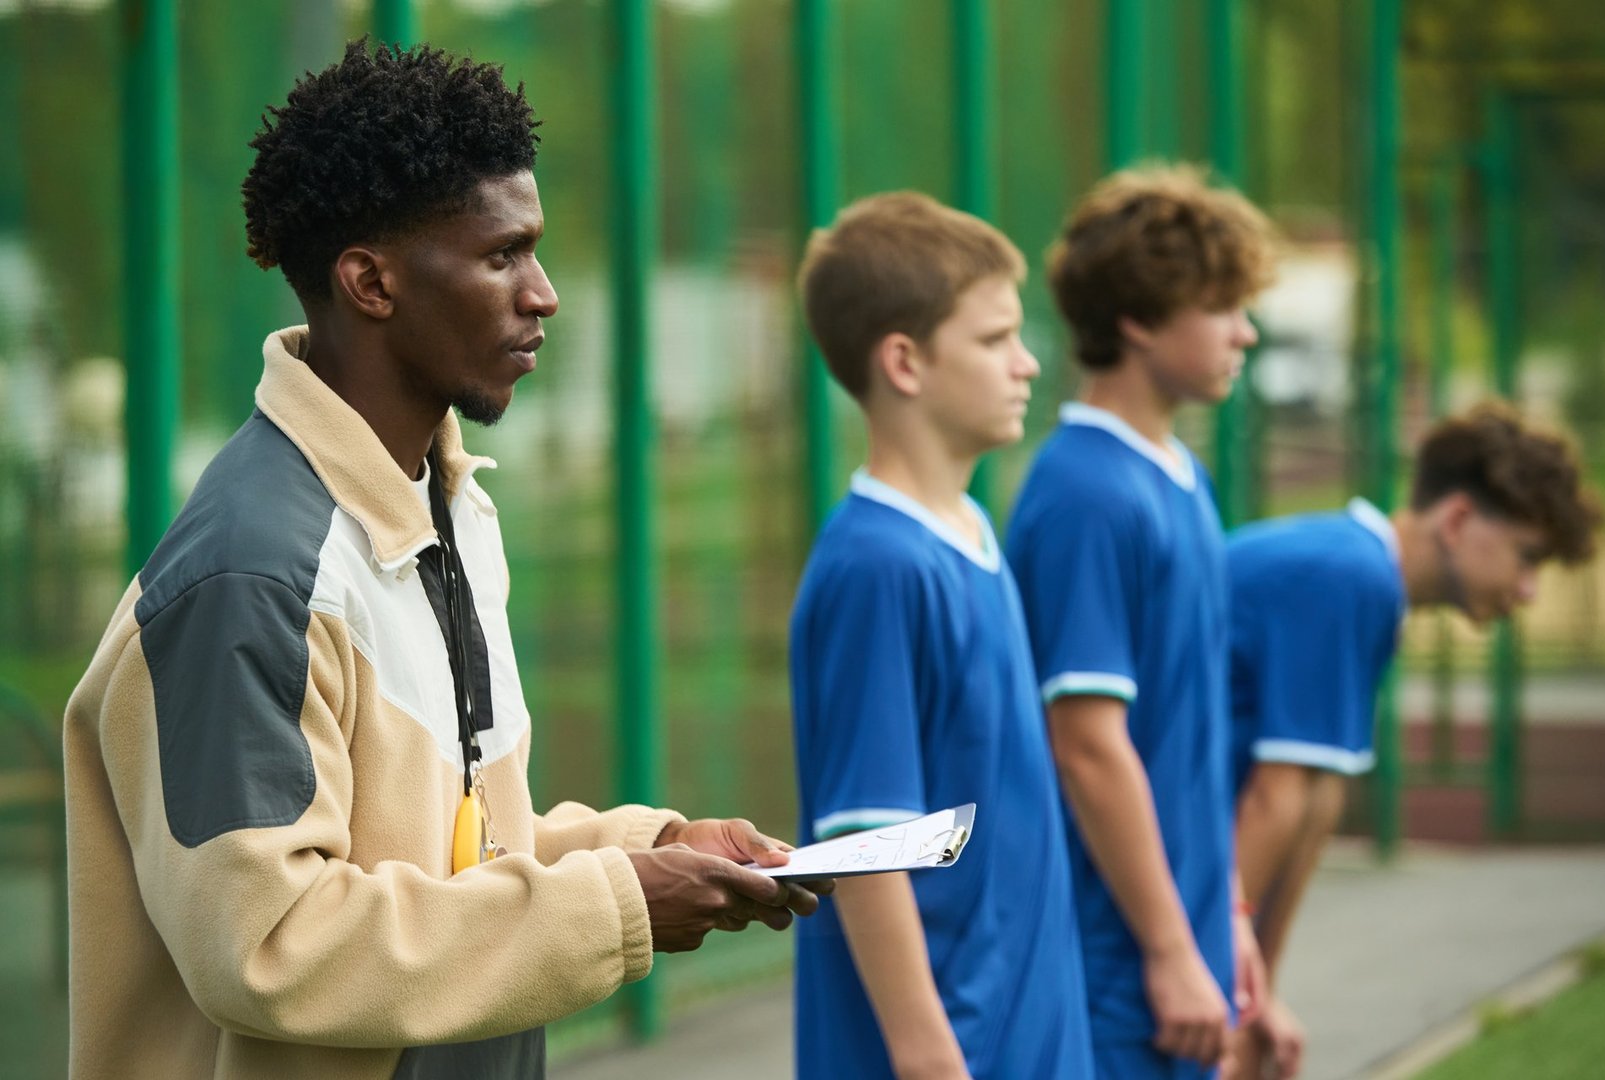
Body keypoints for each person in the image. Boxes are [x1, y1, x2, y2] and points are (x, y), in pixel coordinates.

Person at [62, 41, 823, 1080]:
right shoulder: (253, 578)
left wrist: (653, 850)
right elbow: (269, 945)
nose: (544, 293)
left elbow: (460, 855)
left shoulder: (448, 507)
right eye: (502, 255)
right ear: (371, 282)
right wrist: (611, 906)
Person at [788, 192, 1093, 1079]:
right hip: (952, 1054)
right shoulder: (878, 565)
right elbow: (867, 846)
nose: (1028, 364)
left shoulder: (968, 532)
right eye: (997, 340)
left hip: (1032, 1039)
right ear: (905, 362)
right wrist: (932, 1060)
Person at [1226, 402, 1604, 1080]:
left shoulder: (1368, 581)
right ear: (1457, 520)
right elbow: (1273, 800)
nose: (1528, 591)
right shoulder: (1351, 575)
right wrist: (1221, 988)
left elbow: (1315, 802)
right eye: (1526, 557)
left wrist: (1260, 997)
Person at [1005, 166, 1276, 1079]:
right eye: (1221, 306)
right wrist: (1166, 948)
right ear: (1138, 320)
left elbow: (1186, 740)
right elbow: (1087, 744)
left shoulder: (1179, 478)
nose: (1247, 330)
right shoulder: (1086, 491)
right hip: (1110, 957)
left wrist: (1225, 917)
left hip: (1181, 935)